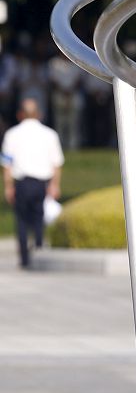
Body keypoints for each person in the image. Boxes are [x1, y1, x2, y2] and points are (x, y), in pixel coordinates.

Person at [2, 98, 64, 269]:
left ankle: (24, 258)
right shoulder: (50, 134)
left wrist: (8, 187)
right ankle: (38, 253)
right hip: (40, 184)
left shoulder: (11, 134)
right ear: (39, 114)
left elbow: (6, 164)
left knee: (21, 221)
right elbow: (57, 163)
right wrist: (54, 184)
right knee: (38, 219)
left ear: (20, 114)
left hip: (21, 183)